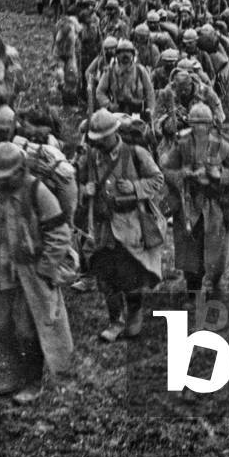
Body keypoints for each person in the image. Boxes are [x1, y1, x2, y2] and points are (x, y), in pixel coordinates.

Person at [0, 143, 74, 405]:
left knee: (28, 328)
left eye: (3, 177)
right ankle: (16, 371)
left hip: (30, 272)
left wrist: (46, 268)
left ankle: (31, 380)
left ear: (18, 172)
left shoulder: (38, 192)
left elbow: (60, 233)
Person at [76, 110, 166, 343]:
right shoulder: (92, 156)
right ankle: (115, 320)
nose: (99, 142)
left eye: (103, 137)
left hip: (131, 222)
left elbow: (157, 179)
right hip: (104, 225)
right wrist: (86, 189)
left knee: (131, 275)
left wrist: (135, 188)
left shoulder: (136, 153)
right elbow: (80, 181)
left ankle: (134, 313)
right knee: (105, 275)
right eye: (97, 138)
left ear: (114, 132)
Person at [160, 104, 229, 303]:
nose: (199, 129)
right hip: (189, 203)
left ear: (210, 125)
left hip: (216, 204)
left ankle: (215, 284)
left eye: (203, 124)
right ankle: (193, 292)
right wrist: (184, 174)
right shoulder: (182, 143)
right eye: (195, 124)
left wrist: (219, 175)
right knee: (190, 251)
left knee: (218, 251)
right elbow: (165, 170)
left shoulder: (222, 145)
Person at [95, 39, 156, 118]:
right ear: (117, 55)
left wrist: (150, 110)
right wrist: (109, 105)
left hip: (137, 112)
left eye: (128, 52)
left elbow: (150, 92)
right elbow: (100, 92)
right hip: (116, 113)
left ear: (132, 54)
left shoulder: (140, 70)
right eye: (122, 52)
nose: (125, 54)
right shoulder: (110, 71)